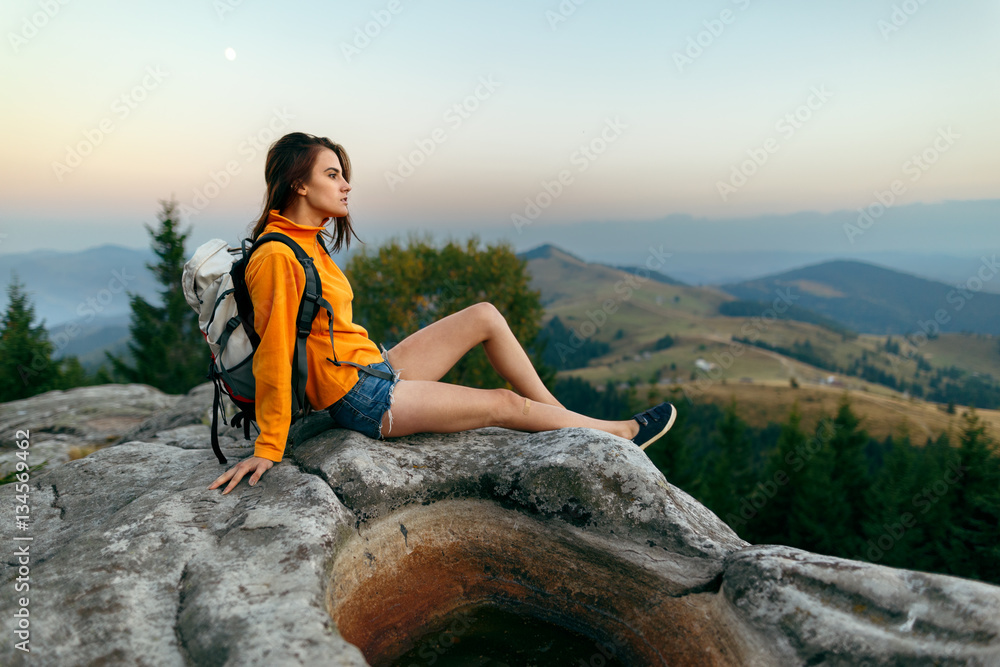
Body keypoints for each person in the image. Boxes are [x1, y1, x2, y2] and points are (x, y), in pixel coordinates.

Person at [209, 132, 676, 495]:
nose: (346, 184)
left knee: (485, 315)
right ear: (299, 183)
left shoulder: (307, 241)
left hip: (372, 368)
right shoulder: (277, 256)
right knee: (503, 404)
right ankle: (619, 434)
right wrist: (269, 448)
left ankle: (564, 419)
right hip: (358, 398)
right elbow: (273, 351)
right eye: (332, 174)